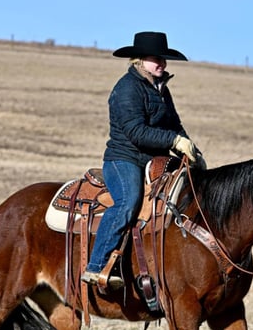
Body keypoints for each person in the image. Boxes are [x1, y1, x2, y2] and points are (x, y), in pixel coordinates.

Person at [81, 31, 204, 287]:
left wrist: (190, 149)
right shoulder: (127, 88)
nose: (161, 63)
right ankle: (95, 266)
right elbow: (136, 132)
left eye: (163, 58)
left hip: (154, 160)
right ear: (139, 60)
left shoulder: (160, 89)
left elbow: (174, 124)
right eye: (155, 58)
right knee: (127, 203)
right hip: (124, 159)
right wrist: (173, 141)